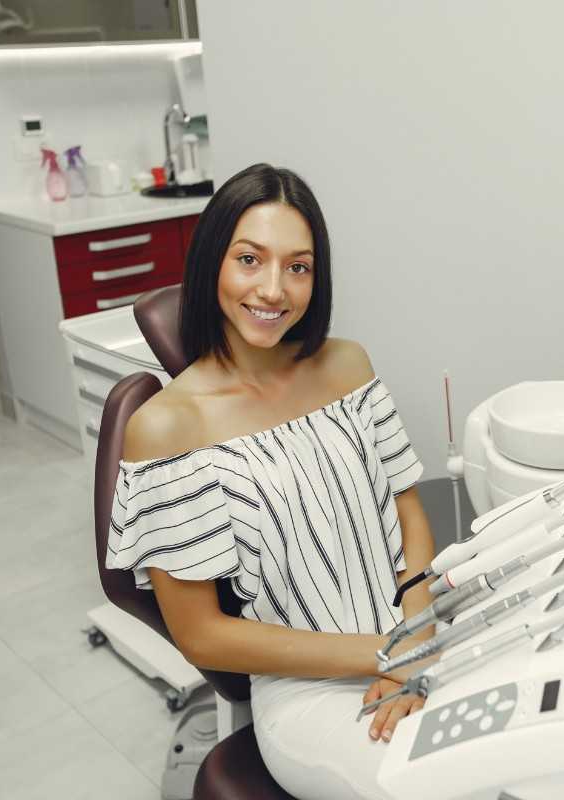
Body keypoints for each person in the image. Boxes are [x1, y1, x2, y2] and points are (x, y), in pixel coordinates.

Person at [107, 163, 438, 799]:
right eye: (250, 260)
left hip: (414, 640)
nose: (273, 289)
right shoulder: (168, 426)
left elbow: (409, 514)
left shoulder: (348, 365)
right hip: (311, 696)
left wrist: (417, 635)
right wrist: (384, 655)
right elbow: (201, 633)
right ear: (212, 266)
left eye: (298, 266)